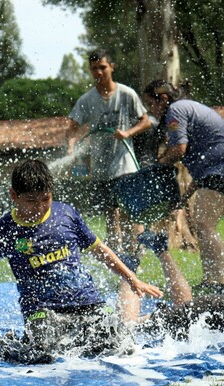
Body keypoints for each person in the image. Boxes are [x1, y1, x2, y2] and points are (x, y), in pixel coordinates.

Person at [0, 159, 163, 364]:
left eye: (45, 199)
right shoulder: (3, 231)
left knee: (121, 346)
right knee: (41, 353)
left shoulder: (66, 214)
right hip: (42, 309)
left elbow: (99, 250)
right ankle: (7, 346)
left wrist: (132, 279)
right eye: (31, 201)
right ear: (14, 195)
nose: (39, 208)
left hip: (87, 303)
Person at [143, 80, 224, 296]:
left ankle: (216, 283)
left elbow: (178, 149)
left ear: (163, 99)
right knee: (203, 222)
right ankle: (212, 281)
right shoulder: (185, 108)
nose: (151, 110)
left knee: (204, 223)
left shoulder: (176, 110)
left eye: (151, 103)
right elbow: (200, 170)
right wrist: (184, 198)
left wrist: (156, 167)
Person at [64, 49, 152, 320]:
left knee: (129, 213)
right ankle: (119, 265)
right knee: (110, 216)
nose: (99, 73)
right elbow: (72, 126)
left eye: (102, 67)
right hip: (101, 169)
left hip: (125, 164)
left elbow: (146, 121)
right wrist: (71, 145)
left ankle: (135, 256)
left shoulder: (126, 94)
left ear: (111, 67)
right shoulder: (87, 99)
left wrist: (127, 132)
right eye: (94, 69)